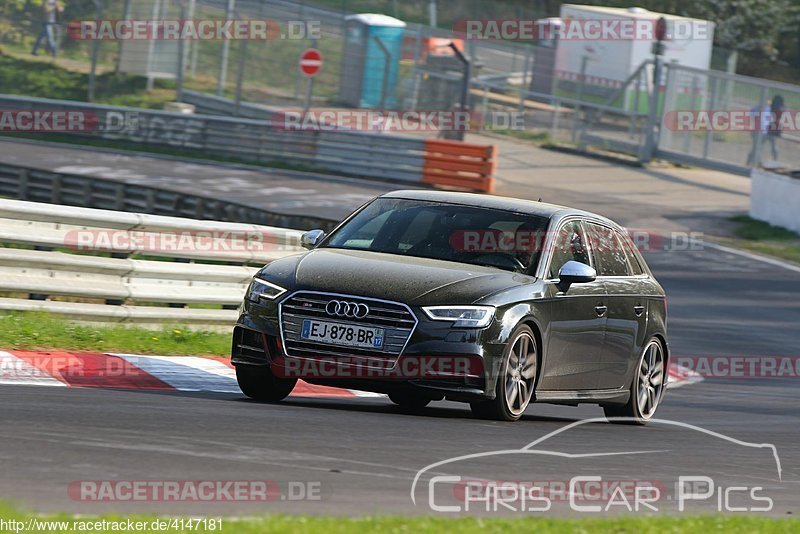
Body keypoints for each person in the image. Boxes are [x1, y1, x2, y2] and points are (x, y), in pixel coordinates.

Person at [746, 100, 771, 167]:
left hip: (764, 132)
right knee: (755, 147)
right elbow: (751, 116)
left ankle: (753, 162)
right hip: (757, 131)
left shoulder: (768, 109)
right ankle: (753, 162)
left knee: (758, 148)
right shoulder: (757, 107)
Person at [766, 94, 784, 163]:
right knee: (774, 146)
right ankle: (775, 160)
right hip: (775, 130)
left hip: (770, 129)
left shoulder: (773, 107)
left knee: (772, 146)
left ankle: (775, 160)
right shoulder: (781, 108)